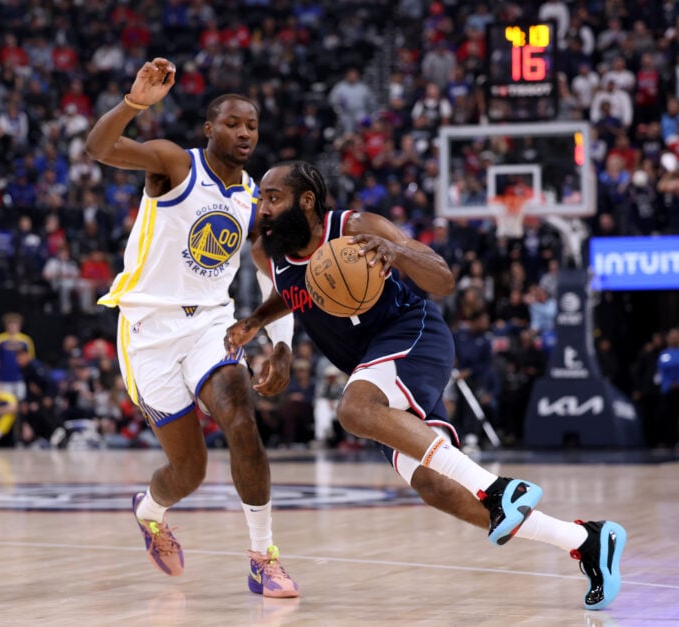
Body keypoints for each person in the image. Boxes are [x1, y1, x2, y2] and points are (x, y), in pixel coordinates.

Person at [225, 160, 627, 611]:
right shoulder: (266, 251)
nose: (263, 207)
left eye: (273, 198)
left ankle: (499, 489)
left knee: (353, 409)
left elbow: (443, 278)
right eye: (261, 198)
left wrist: (395, 253)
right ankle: (587, 541)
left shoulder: (357, 227)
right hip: (372, 369)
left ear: (306, 201)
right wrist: (260, 324)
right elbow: (292, 293)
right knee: (437, 487)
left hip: (412, 334)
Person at [84, 57, 298, 597]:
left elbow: (273, 274)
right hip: (149, 329)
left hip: (211, 324)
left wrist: (281, 343)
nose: (244, 133)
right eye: (233, 123)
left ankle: (263, 557)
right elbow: (99, 148)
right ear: (209, 129)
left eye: (252, 126)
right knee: (190, 471)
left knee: (241, 419)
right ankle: (150, 512)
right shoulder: (175, 164)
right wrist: (133, 104)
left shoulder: (254, 199)